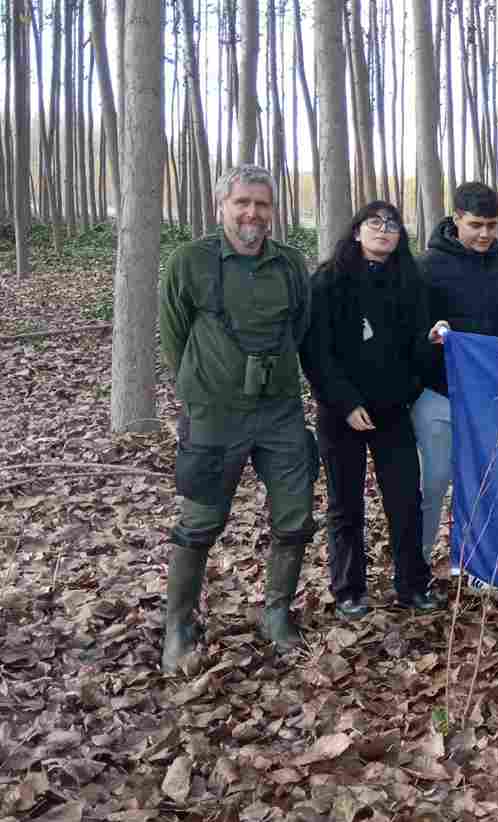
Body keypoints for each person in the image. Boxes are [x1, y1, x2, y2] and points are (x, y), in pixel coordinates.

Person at [158, 165, 316, 672]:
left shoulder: (290, 265)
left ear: (274, 211)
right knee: (200, 522)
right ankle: (179, 627)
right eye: (242, 202)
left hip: (280, 413)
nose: (252, 213)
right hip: (213, 416)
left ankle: (276, 614)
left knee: (295, 516)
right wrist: (207, 387)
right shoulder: (189, 262)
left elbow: (301, 327)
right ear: (220, 206)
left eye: (262, 204)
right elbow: (174, 338)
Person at [300, 201, 443, 619]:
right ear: (358, 229)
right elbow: (316, 352)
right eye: (375, 223)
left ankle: (412, 585)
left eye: (392, 224)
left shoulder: (410, 280)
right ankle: (348, 588)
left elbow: (416, 347)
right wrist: (345, 403)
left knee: (404, 499)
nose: (384, 230)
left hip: (393, 410)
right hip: (340, 412)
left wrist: (430, 346)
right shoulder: (328, 281)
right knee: (345, 503)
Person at [414, 183, 498, 575]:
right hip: (437, 394)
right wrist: (430, 336)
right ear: (455, 219)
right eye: (476, 224)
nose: (485, 234)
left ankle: (475, 563)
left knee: (485, 485)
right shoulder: (425, 267)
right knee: (435, 482)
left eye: (492, 224)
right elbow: (409, 330)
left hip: (490, 398)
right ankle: (419, 563)